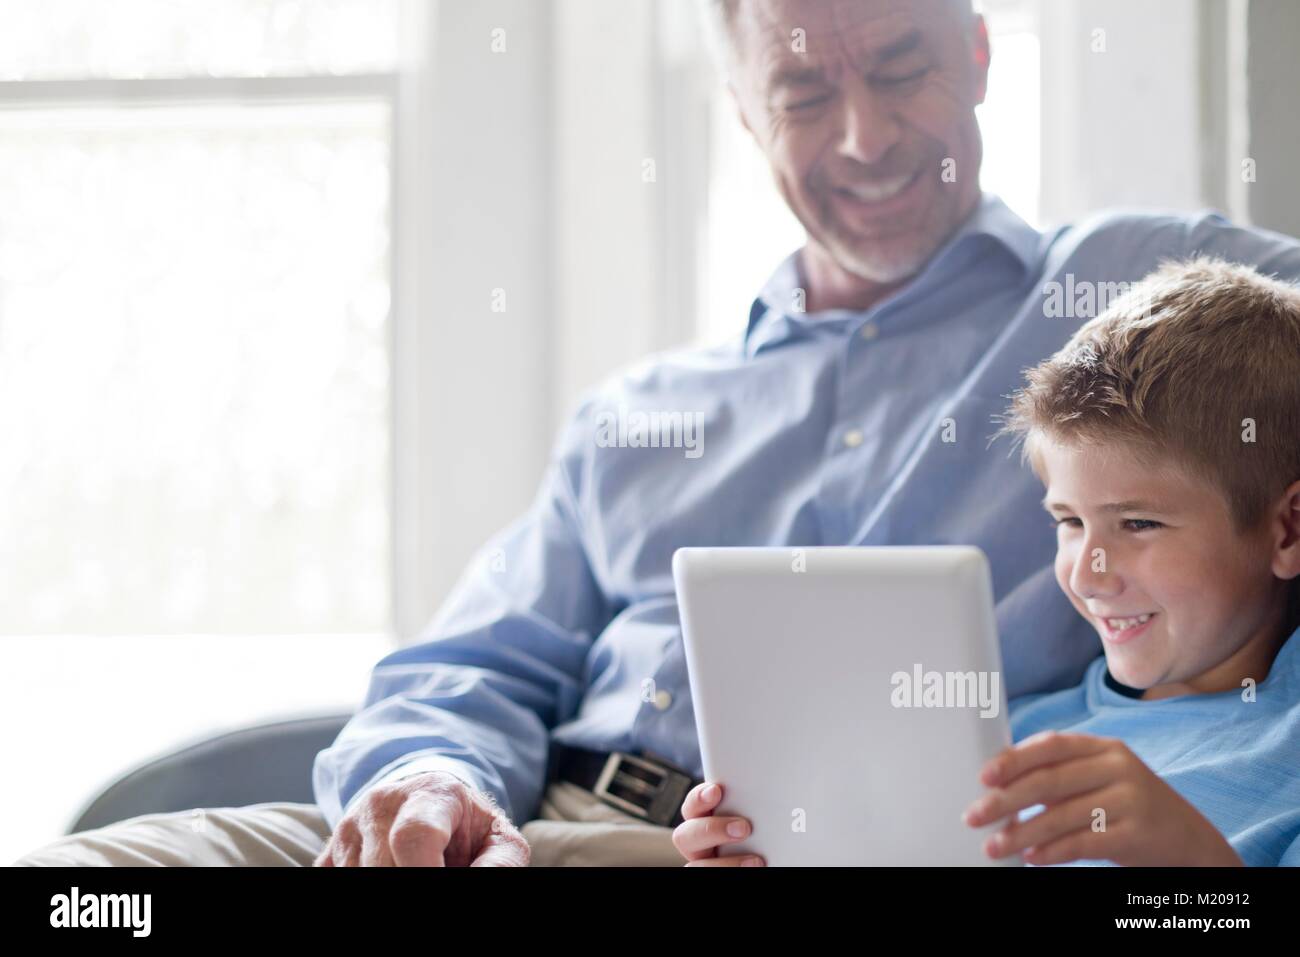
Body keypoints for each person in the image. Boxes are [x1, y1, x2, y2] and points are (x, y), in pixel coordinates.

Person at [17, 0, 1300, 868]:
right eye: (803, 90)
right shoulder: (639, 416)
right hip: (522, 830)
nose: (864, 137)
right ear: (745, 111)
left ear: (975, 56)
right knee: (95, 887)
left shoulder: (1136, 289)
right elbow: (473, 661)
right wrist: (429, 779)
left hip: (791, 853)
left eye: (902, 67)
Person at [676, 258, 1300, 866]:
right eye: (1070, 522)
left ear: (1287, 531)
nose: (1087, 574)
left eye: (1139, 523)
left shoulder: (1280, 761)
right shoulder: (1006, 743)